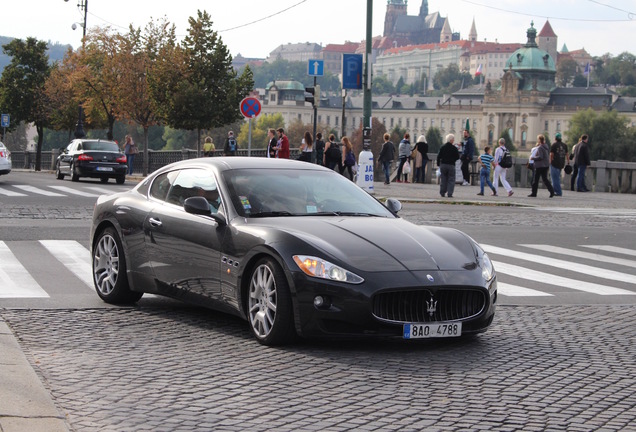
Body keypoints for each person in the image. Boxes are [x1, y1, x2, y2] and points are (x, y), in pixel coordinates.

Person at [436, 133, 460, 198]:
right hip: (451, 165)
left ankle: (442, 192)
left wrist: (438, 164)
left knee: (443, 179)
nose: (454, 140)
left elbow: (438, 156)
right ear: (451, 140)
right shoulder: (454, 148)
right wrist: (453, 159)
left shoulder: (442, 147)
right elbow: (457, 157)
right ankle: (450, 193)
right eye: (453, 139)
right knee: (451, 179)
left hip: (443, 165)